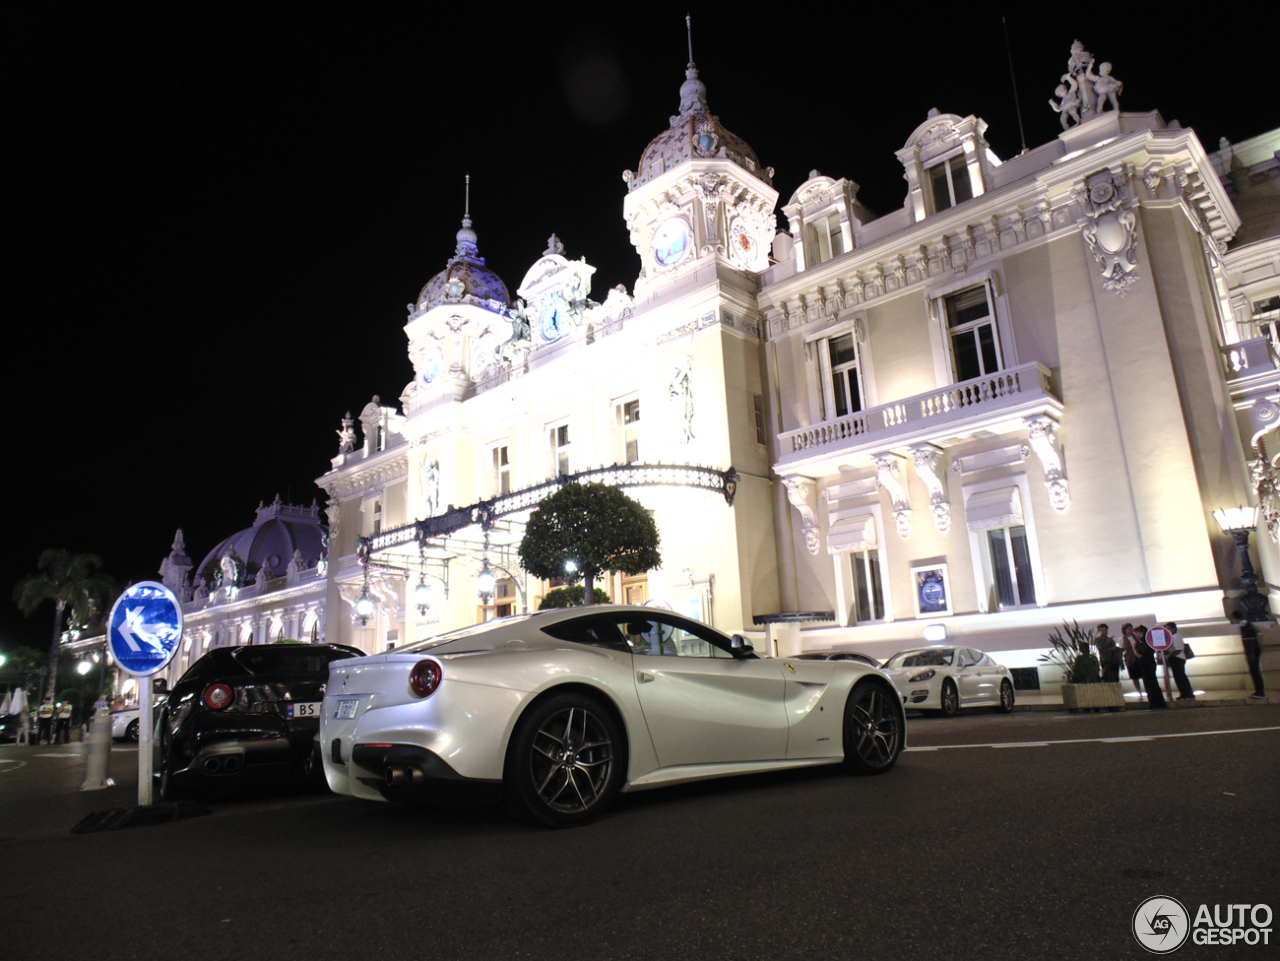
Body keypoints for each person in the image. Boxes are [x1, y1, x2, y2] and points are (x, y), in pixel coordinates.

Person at [1233, 609, 1267, 700]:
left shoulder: (1245, 627)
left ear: (1236, 619)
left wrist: (1250, 655)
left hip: (1252, 653)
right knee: (1255, 672)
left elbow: (1249, 641)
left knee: (1255, 672)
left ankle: (1259, 692)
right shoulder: (1248, 625)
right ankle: (1259, 691)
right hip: (1254, 652)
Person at [1133, 625, 1167, 708]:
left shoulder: (1144, 643)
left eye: (1137, 633)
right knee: (1151, 683)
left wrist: (1134, 648)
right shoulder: (1146, 642)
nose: (1136, 635)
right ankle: (1157, 702)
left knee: (1150, 684)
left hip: (1147, 665)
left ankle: (1155, 702)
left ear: (1142, 633)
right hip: (1148, 664)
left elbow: (1139, 654)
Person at [1164, 622, 1194, 701]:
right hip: (1175, 658)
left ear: (1173, 629)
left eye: (1168, 628)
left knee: (1180, 676)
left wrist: (1170, 655)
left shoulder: (1175, 636)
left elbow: (1178, 649)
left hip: (1178, 658)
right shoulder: (1171, 637)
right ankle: (1183, 693)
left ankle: (1187, 693)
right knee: (1178, 677)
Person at [1120, 623, 1142, 694]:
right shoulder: (1121, 639)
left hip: (1138, 656)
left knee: (1143, 674)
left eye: (1131, 628)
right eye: (1128, 629)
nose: (1130, 630)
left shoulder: (1136, 636)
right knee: (1134, 676)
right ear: (1125, 630)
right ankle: (1139, 692)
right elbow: (1121, 649)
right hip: (1130, 658)